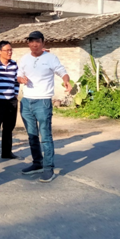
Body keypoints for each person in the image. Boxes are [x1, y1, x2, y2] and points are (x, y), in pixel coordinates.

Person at [17, 31, 72, 183]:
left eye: (37, 41)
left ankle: (48, 169)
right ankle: (37, 163)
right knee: (32, 135)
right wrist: (21, 79)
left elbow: (62, 72)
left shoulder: (50, 58)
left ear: (43, 43)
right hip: (26, 101)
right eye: (31, 41)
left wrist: (66, 81)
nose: (34, 44)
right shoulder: (24, 58)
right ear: (28, 43)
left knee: (45, 136)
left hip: (43, 102)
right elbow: (19, 74)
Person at [0, 40, 20, 163]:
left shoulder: (14, 65)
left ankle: (6, 152)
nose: (10, 52)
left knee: (9, 127)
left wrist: (15, 94)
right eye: (7, 50)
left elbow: (16, 81)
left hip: (11, 101)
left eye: (11, 50)